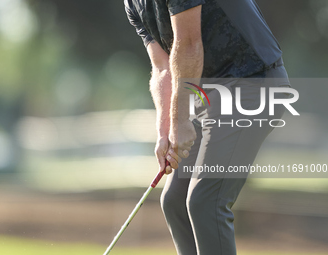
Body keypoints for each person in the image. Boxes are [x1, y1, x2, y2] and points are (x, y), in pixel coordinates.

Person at [124, 0, 291, 254]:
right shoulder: (131, 3)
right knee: (175, 201)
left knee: (206, 201)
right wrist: (165, 130)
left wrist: (181, 121)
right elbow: (162, 68)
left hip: (255, 82)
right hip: (213, 97)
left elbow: (189, 45)